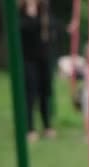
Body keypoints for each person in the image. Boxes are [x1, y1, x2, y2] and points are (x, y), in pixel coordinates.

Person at [18, 0, 57, 142]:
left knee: (46, 93)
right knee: (30, 93)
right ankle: (30, 128)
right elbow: (21, 29)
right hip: (28, 59)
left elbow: (52, 29)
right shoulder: (21, 13)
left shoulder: (44, 11)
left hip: (44, 58)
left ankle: (47, 126)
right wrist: (33, 17)